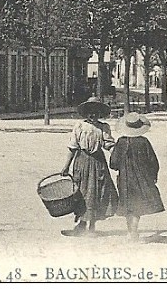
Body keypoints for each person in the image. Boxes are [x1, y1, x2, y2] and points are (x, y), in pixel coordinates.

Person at [61, 97, 119, 235]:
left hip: (98, 162)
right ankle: (80, 226)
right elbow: (72, 147)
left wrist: (118, 157)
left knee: (96, 192)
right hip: (81, 162)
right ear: (86, 113)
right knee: (80, 192)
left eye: (96, 112)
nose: (93, 115)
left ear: (100, 113)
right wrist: (66, 166)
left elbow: (108, 145)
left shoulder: (103, 127)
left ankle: (92, 226)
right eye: (90, 112)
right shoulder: (79, 126)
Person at [109, 112, 165, 241]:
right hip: (141, 178)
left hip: (125, 179)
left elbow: (113, 164)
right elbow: (153, 162)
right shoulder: (144, 142)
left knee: (128, 204)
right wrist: (153, 176)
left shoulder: (121, 142)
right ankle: (134, 230)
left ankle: (132, 231)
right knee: (137, 204)